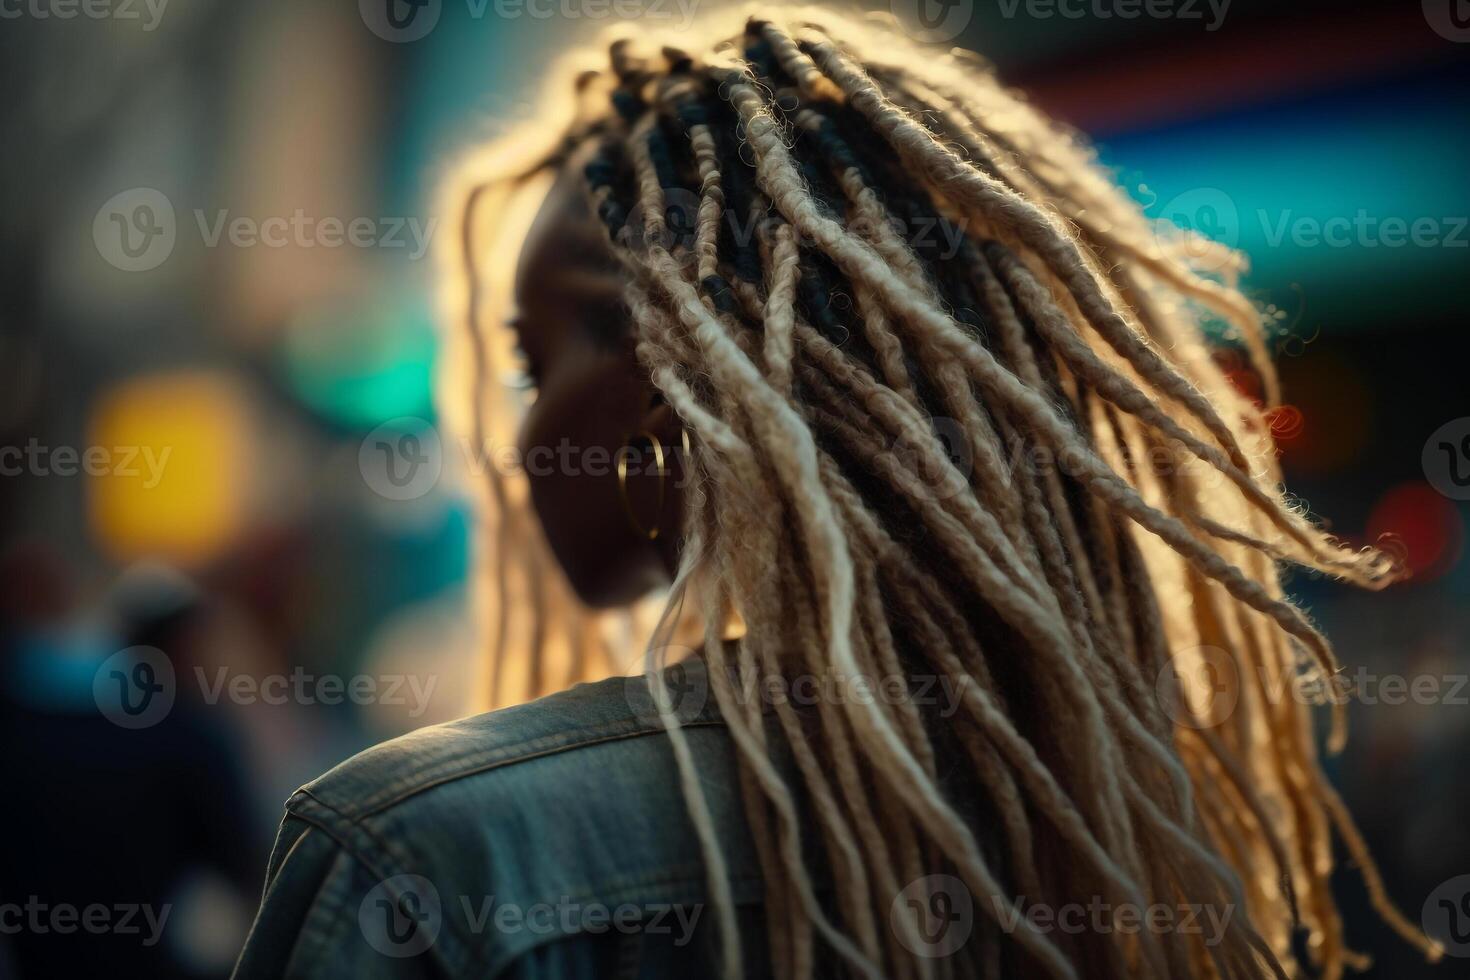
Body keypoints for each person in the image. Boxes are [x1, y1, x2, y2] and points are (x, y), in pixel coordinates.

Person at [232, 8, 1440, 977]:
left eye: (535, 360)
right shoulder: (1131, 845)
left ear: (671, 389)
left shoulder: (432, 850)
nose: (516, 425)